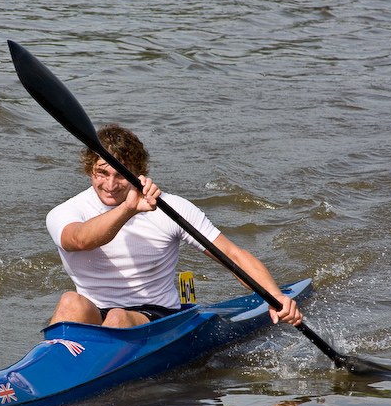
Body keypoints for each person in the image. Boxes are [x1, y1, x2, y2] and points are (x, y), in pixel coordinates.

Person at [46, 123, 302, 329]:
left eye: (121, 174)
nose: (111, 184)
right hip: (94, 311)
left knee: (117, 318)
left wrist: (275, 296)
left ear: (139, 172)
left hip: (156, 315)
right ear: (89, 170)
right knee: (70, 301)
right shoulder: (66, 211)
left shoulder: (172, 208)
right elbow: (79, 240)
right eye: (102, 172)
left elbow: (232, 255)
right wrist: (128, 209)